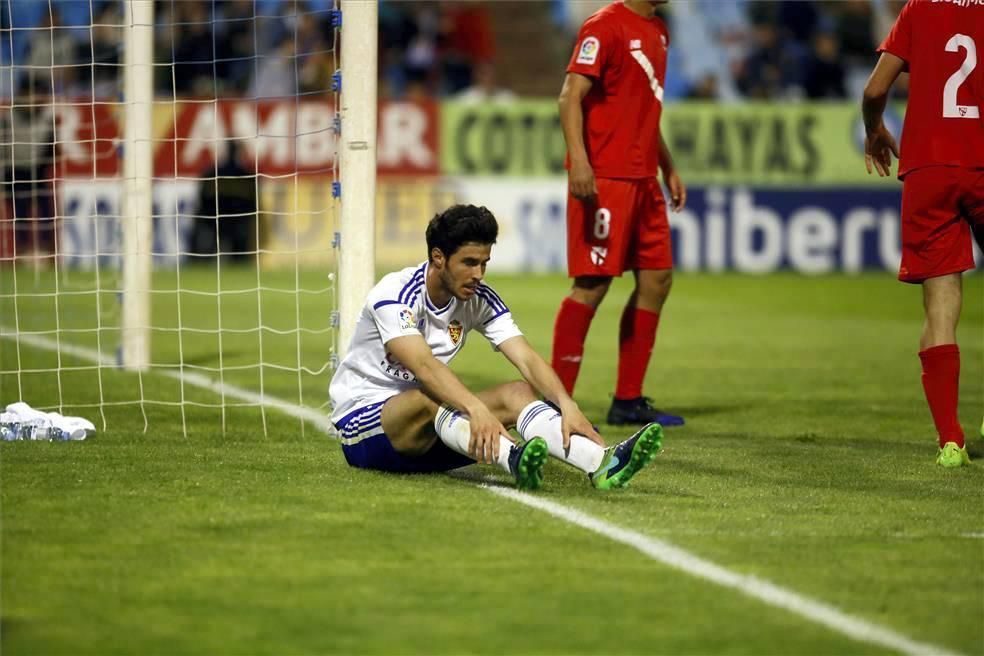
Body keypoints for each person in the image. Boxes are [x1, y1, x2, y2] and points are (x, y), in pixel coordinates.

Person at [329, 205, 664, 490]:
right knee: (431, 394)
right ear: (438, 258)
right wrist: (475, 409)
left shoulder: (479, 299)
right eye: (470, 262)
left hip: (432, 434)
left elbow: (526, 358)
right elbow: (424, 368)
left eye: (484, 263)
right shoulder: (396, 294)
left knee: (518, 392)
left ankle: (601, 464)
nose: (479, 274)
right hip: (367, 430)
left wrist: (567, 404)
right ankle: (513, 458)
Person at [550, 0, 687, 427]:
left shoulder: (659, 30)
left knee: (657, 278)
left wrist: (667, 166)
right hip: (606, 177)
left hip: (644, 179)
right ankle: (555, 404)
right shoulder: (604, 27)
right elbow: (570, 96)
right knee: (591, 285)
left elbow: (644, 107)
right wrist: (580, 161)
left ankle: (627, 400)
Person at [861, 0, 984, 468]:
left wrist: (874, 129)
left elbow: (875, 90)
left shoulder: (920, 8)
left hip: (930, 167)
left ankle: (951, 440)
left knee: (940, 303)